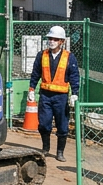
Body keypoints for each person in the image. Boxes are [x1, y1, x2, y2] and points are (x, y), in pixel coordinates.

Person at [28, 25, 81, 162]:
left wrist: (75, 93)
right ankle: (45, 148)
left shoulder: (69, 57)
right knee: (44, 124)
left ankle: (60, 152)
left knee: (62, 125)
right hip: (45, 95)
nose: (51, 41)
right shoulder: (42, 55)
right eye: (50, 38)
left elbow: (74, 76)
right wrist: (32, 89)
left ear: (62, 42)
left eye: (55, 39)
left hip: (61, 97)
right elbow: (35, 74)